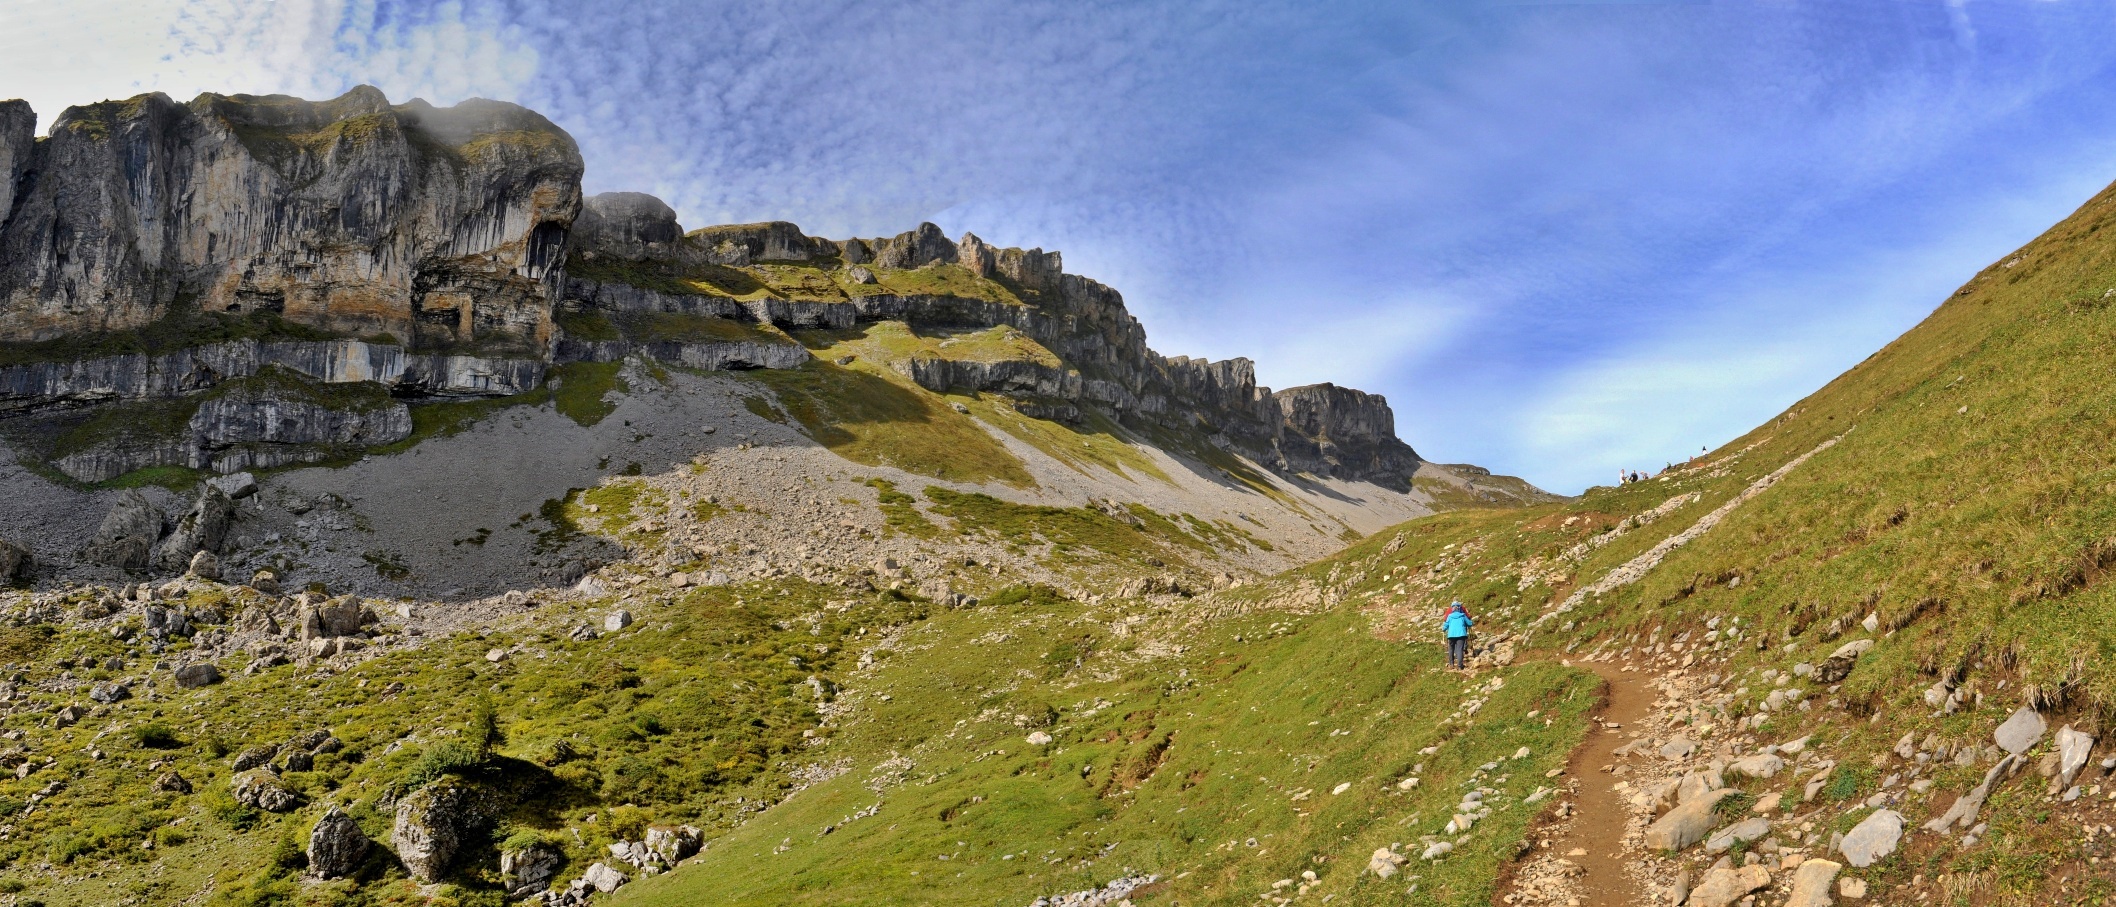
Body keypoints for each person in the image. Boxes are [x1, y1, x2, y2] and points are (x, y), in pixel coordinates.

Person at [1442, 601, 1473, 670]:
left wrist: (1443, 629)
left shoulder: (1450, 616)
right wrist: (1471, 622)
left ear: (1452, 608)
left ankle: (1451, 664)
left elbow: (1446, 625)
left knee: (1451, 649)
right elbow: (1469, 623)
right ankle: (1460, 665)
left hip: (1451, 635)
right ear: (1459, 608)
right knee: (1459, 649)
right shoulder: (1463, 615)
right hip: (1461, 635)